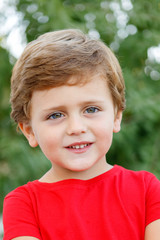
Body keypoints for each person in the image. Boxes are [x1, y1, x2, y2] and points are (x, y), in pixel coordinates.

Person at [3, 29, 160, 240]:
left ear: (116, 116)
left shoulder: (147, 190)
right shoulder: (23, 204)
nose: (76, 128)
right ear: (29, 131)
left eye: (91, 110)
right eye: (55, 115)